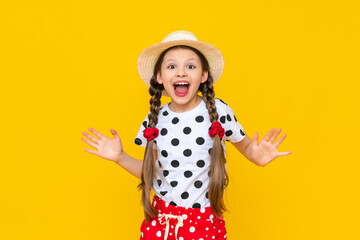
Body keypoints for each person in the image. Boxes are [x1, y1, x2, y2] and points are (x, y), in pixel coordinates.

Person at [81, 30, 292, 240]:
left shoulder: (218, 112)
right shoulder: (155, 119)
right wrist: (120, 157)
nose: (181, 73)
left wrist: (257, 156)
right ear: (160, 77)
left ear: (203, 76)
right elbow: (150, 173)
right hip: (160, 224)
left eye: (190, 66)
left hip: (204, 225)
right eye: (172, 66)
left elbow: (245, 146)